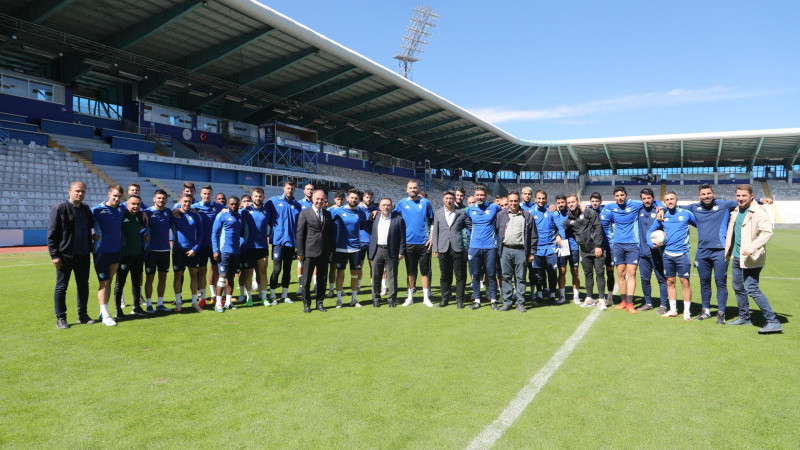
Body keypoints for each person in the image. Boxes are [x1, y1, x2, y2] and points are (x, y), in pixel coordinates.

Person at [689, 184, 772, 323]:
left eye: (708, 193)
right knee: (704, 282)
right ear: (699, 196)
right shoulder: (693, 207)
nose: (706, 196)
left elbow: (746, 202)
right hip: (702, 252)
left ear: (713, 193)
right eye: (703, 194)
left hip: (721, 251)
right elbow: (673, 206)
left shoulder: (725, 205)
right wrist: (661, 208)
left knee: (721, 283)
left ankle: (721, 313)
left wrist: (762, 200)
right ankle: (706, 311)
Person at [724, 184, 782, 334]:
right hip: (737, 256)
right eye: (738, 195)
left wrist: (752, 247)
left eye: (744, 196)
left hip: (751, 257)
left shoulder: (758, 211)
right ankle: (744, 317)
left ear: (751, 196)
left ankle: (772, 320)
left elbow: (767, 232)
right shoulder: (737, 210)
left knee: (751, 287)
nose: (740, 198)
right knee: (738, 287)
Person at [48, 181, 96, 329]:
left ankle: (83, 315)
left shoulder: (86, 209)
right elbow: (52, 234)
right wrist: (54, 255)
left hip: (83, 255)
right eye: (77, 191)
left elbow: (93, 225)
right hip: (65, 256)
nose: (80, 194)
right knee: (62, 287)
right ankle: (61, 318)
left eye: (82, 191)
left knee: (83, 286)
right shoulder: (60, 208)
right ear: (70, 191)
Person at [600, 186, 654, 314]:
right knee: (620, 273)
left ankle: (630, 303)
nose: (620, 197)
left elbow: (652, 202)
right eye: (617, 195)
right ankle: (623, 301)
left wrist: (661, 206)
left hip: (633, 244)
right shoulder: (610, 207)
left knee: (632, 273)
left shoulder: (634, 204)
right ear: (614, 197)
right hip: (618, 244)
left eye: (622, 195)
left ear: (626, 195)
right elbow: (597, 210)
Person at [650, 191, 697, 320]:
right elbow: (650, 231)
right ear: (664, 202)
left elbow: (699, 226)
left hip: (682, 254)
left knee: (684, 282)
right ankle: (673, 310)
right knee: (670, 282)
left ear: (677, 200)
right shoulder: (662, 215)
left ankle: (687, 311)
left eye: (672, 199)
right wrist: (651, 243)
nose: (670, 201)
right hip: (668, 254)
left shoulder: (686, 214)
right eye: (667, 200)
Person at [394, 179, 435, 306]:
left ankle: (426, 298)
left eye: (415, 188)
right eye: (410, 188)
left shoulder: (426, 203)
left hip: (424, 243)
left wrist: (432, 238)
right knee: (410, 272)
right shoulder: (401, 203)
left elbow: (432, 221)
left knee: (425, 272)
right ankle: (410, 297)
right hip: (408, 243)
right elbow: (391, 216)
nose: (413, 190)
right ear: (407, 190)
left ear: (418, 189)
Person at [91, 184, 126, 326]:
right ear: (109, 194)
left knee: (109, 280)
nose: (116, 199)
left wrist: (143, 213)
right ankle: (105, 314)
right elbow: (84, 223)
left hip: (116, 251)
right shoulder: (96, 210)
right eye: (114, 196)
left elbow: (139, 206)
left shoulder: (122, 208)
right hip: (101, 252)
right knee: (104, 282)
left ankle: (103, 311)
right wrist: (92, 236)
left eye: (119, 197)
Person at [563, 194, 606, 308]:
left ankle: (601, 299)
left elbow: (598, 227)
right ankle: (589, 298)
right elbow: (564, 232)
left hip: (596, 249)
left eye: (573, 201)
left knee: (600, 273)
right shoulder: (568, 221)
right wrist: (558, 236)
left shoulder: (588, 212)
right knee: (588, 274)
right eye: (569, 203)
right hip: (584, 250)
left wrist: (598, 245)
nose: (571, 204)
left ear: (577, 201)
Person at [296, 189, 336, 313]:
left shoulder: (328, 214)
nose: (319, 201)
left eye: (322, 199)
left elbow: (330, 234)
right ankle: (307, 304)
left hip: (324, 252)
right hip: (309, 252)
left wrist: (330, 250)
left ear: (325, 200)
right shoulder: (304, 213)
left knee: (322, 280)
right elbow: (300, 234)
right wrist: (300, 252)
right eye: (317, 199)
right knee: (306, 280)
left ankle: (320, 303)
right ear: (313, 199)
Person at [496, 191, 536, 312]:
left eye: (515, 201)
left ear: (519, 201)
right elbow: (497, 231)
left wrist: (532, 252)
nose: (513, 203)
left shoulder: (527, 216)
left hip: (520, 250)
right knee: (506, 276)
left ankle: (520, 302)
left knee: (520, 277)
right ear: (508, 202)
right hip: (505, 249)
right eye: (511, 201)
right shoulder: (501, 215)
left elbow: (533, 235)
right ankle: (507, 302)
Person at [465, 184, 502, 310]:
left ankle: (493, 300)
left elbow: (505, 214)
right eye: (477, 195)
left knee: (491, 274)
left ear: (486, 196)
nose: (479, 197)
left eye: (482, 195)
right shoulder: (469, 210)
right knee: (475, 275)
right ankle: (477, 300)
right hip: (474, 247)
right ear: (474, 196)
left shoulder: (494, 208)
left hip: (490, 246)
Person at [331, 188, 369, 308]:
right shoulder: (338, 211)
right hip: (341, 248)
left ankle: (354, 299)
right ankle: (339, 300)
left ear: (359, 200)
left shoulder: (361, 213)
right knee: (340, 273)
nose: (353, 200)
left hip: (356, 248)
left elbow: (364, 226)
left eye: (356, 198)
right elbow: (329, 225)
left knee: (354, 274)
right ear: (347, 198)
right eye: (352, 197)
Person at [114, 194, 149, 319]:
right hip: (124, 256)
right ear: (126, 204)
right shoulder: (121, 215)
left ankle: (136, 307)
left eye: (138, 204)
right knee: (120, 283)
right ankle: (118, 309)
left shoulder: (140, 216)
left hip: (137, 255)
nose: (135, 206)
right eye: (133, 204)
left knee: (136, 282)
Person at [432, 191, 469, 308]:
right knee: (444, 275)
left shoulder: (461, 212)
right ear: (443, 199)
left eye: (451, 198)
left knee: (460, 275)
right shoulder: (438, 213)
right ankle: (445, 298)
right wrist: (435, 248)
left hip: (457, 247)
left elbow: (470, 226)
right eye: (447, 198)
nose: (449, 200)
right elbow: (436, 232)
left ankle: (459, 300)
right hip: (443, 248)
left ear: (454, 199)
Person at [267, 180, 302, 304]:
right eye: (288, 188)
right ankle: (272, 295)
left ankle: (284, 295)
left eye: (292, 189)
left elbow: (299, 226)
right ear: (283, 188)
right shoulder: (273, 202)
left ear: (294, 190)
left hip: (290, 242)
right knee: (277, 269)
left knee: (287, 269)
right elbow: (262, 212)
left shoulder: (297, 205)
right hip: (277, 241)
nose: (290, 190)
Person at [212, 195, 248, 312]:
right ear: (228, 204)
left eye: (236, 204)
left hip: (236, 252)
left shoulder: (240, 217)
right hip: (224, 252)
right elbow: (214, 234)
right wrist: (215, 250)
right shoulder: (222, 215)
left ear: (239, 205)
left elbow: (242, 233)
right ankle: (218, 304)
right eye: (232, 204)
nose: (234, 206)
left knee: (231, 277)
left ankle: (228, 302)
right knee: (222, 277)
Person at [368, 197, 406, 307]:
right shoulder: (374, 217)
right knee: (376, 275)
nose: (386, 207)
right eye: (383, 205)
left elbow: (403, 237)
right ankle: (376, 299)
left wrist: (401, 251)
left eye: (388, 205)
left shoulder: (398, 219)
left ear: (392, 206)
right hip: (377, 250)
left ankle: (392, 299)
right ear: (379, 206)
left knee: (392, 276)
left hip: (392, 251)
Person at [636, 188, 669, 312]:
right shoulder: (639, 210)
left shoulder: (659, 210)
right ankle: (648, 303)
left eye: (649, 198)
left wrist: (661, 207)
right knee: (645, 279)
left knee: (661, 279)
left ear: (653, 198)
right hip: (643, 252)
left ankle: (663, 305)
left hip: (657, 252)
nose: (646, 200)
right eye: (644, 198)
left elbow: (664, 206)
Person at [191, 185, 224, 306]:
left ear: (212, 195)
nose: (206, 196)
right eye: (204, 193)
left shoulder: (219, 207)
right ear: (200, 194)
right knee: (202, 271)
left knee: (216, 271)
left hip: (215, 246)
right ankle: (203, 297)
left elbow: (230, 209)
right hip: (201, 245)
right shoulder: (194, 207)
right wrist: (176, 209)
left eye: (209, 194)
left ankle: (215, 296)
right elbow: (180, 207)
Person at [171, 194, 204, 312]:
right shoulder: (174, 214)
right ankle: (178, 302)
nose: (187, 204)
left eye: (189, 202)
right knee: (178, 276)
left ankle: (194, 302)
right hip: (178, 251)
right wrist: (174, 209)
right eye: (185, 201)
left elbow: (201, 235)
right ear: (180, 201)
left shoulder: (196, 215)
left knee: (194, 276)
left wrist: (195, 249)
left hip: (193, 252)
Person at [241, 187, 272, 307]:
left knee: (263, 273)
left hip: (263, 247)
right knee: (248, 274)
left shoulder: (267, 210)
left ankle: (264, 297)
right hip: (249, 247)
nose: (258, 198)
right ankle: (249, 298)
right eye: (255, 196)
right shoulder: (245, 211)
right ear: (252, 197)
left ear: (263, 197)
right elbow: (231, 212)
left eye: (260, 196)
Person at [143, 190, 172, 313]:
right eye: (159, 198)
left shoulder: (169, 212)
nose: (161, 200)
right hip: (151, 251)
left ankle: (160, 303)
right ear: (154, 198)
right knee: (150, 278)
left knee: (163, 278)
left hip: (165, 251)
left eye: (163, 198)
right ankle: (149, 304)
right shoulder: (147, 212)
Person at [531, 190, 561, 304]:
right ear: (535, 199)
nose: (541, 200)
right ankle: (539, 295)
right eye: (539, 198)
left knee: (552, 272)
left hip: (550, 247)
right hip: (537, 248)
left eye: (543, 198)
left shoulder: (552, 210)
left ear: (546, 199)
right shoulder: (530, 211)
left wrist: (559, 237)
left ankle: (552, 294)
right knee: (538, 272)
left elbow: (560, 226)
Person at [553, 194, 581, 304]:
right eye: (558, 203)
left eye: (562, 202)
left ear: (566, 203)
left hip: (574, 245)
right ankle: (562, 296)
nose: (561, 205)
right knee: (562, 271)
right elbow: (553, 228)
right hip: (562, 246)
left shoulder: (574, 213)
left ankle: (576, 296)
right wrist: (557, 235)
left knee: (575, 271)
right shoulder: (554, 214)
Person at [588, 192, 615, 298]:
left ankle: (610, 296)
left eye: (597, 201)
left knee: (609, 271)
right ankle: (598, 296)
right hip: (593, 247)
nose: (595, 203)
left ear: (601, 202)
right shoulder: (587, 212)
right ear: (590, 202)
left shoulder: (607, 212)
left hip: (608, 246)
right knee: (596, 272)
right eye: (593, 201)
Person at [357, 189, 380, 294]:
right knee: (359, 265)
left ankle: (373, 286)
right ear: (363, 198)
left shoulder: (376, 209)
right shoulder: (359, 209)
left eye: (370, 197)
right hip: (360, 241)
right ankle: (358, 286)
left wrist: (378, 211)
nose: (369, 199)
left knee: (373, 265)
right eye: (367, 197)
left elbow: (389, 209)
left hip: (372, 241)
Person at [326, 190, 346, 297]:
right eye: (338, 199)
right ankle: (331, 289)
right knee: (332, 268)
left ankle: (341, 288)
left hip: (343, 245)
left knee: (341, 269)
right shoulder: (329, 211)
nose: (340, 201)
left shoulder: (347, 211)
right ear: (334, 199)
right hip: (333, 245)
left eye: (342, 199)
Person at [296, 183, 315, 295]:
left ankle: (315, 285)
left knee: (315, 262)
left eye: (311, 189)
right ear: (304, 191)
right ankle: (301, 286)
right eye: (308, 189)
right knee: (301, 262)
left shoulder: (317, 203)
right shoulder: (299, 204)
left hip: (314, 239)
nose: (309, 191)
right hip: (303, 238)